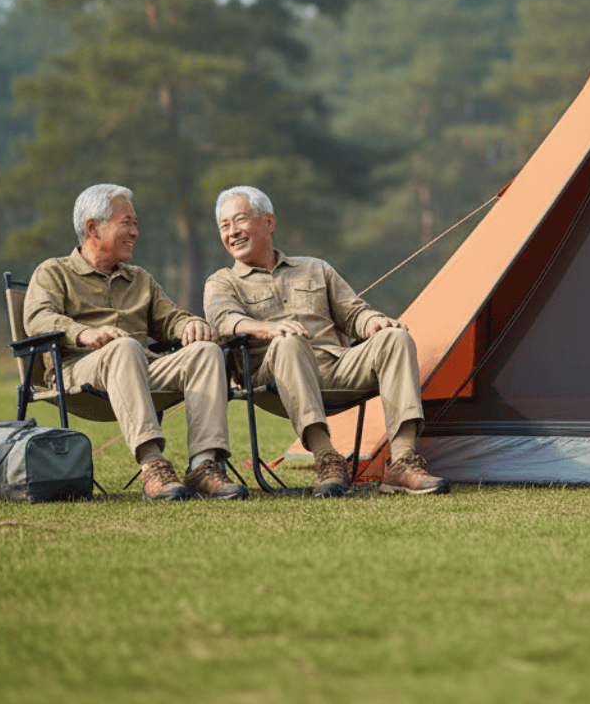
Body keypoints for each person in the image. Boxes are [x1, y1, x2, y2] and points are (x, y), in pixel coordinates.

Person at [203, 186, 449, 497]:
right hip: (273, 377)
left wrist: (373, 322)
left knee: (395, 338)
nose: (232, 232)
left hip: (336, 366)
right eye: (224, 226)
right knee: (288, 341)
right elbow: (223, 319)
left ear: (269, 222)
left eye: (240, 220)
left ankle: (402, 461)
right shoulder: (222, 281)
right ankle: (327, 459)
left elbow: (353, 313)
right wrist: (266, 328)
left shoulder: (315, 268)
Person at [24, 183, 247, 502]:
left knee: (206, 351)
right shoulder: (53, 272)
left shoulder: (140, 279)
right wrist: (82, 333)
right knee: (124, 346)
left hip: (141, 367)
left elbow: (172, 318)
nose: (135, 232)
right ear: (93, 228)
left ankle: (203, 465)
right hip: (79, 370)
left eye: (136, 224)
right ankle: (153, 464)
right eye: (126, 223)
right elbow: (37, 318)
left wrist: (192, 323)